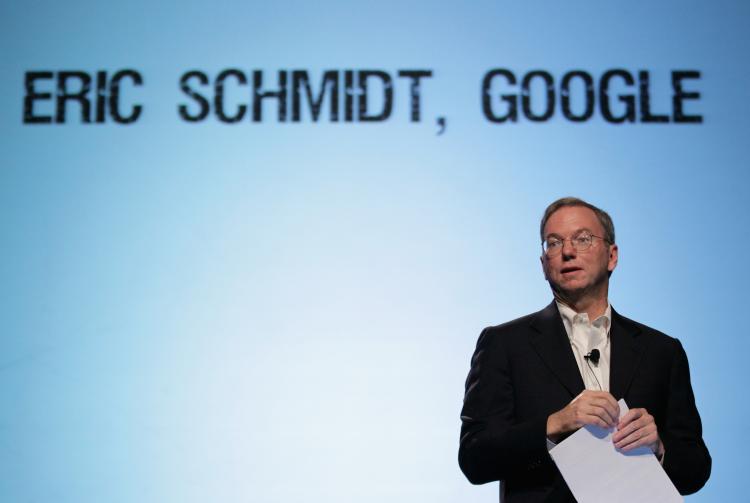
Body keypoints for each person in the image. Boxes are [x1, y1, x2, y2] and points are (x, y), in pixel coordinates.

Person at [458, 197, 711, 502]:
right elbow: (475, 458)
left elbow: (696, 469)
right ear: (543, 265)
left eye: (583, 239)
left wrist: (659, 447)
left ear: (612, 256)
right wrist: (556, 423)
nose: (567, 251)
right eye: (553, 243)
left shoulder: (662, 351)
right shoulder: (505, 344)